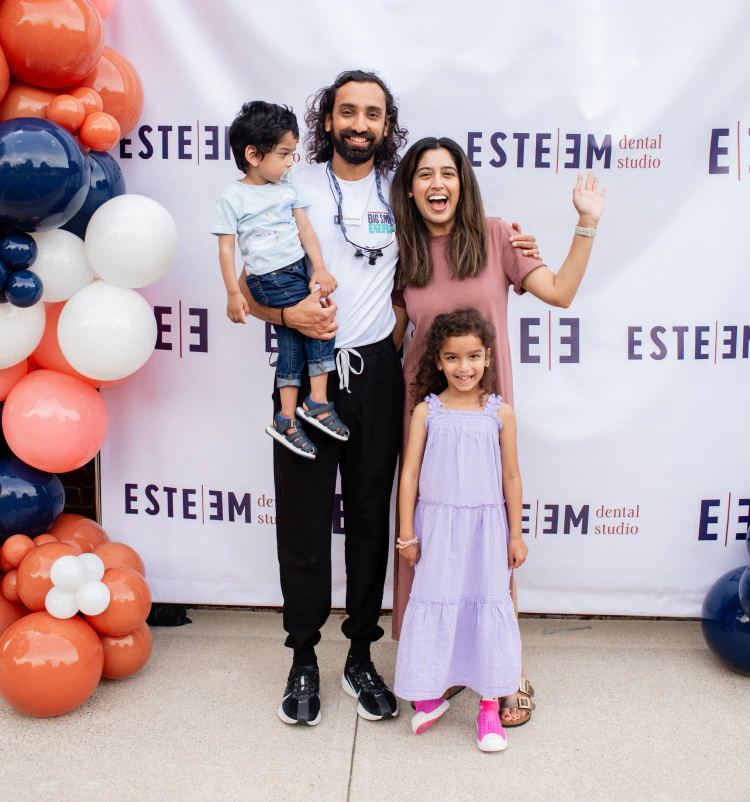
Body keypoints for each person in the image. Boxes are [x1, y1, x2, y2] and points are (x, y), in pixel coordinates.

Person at [390, 136, 607, 725]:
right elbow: (392, 336)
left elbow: (559, 293)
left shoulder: (494, 234)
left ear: (463, 182)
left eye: (448, 173)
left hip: (485, 418)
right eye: (424, 175)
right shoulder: (401, 250)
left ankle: (504, 670)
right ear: (409, 189)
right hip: (424, 415)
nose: (438, 184)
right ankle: (435, 664)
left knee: (488, 543)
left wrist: (585, 225)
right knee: (430, 544)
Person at [235, 71, 409, 726]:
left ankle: (361, 654)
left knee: (369, 518)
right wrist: (288, 319)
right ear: (327, 120)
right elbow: (251, 286)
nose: (359, 123)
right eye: (347, 111)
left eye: (372, 113)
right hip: (309, 372)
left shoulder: (403, 190)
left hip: (378, 374)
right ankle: (303, 654)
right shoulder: (292, 185)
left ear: (386, 126)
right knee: (305, 521)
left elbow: (447, 252)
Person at [394, 308, 528, 752]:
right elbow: (409, 474)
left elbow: (511, 476)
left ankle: (489, 708)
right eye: (452, 358)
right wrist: (408, 534)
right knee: (439, 599)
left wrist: (515, 533)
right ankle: (431, 693)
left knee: (487, 603)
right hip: (438, 530)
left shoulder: (500, 413)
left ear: (488, 358)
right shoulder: (425, 411)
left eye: (473, 356)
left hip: (486, 529)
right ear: (438, 361)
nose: (464, 367)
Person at [212, 101, 349, 460]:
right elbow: (227, 251)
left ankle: (287, 418)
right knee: (320, 325)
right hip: (269, 278)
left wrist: (318, 269)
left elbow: (306, 229)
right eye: (285, 154)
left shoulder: (287, 186)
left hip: (299, 268)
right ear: (254, 155)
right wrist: (232, 292)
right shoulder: (233, 197)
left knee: (291, 342)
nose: (291, 162)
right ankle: (316, 402)